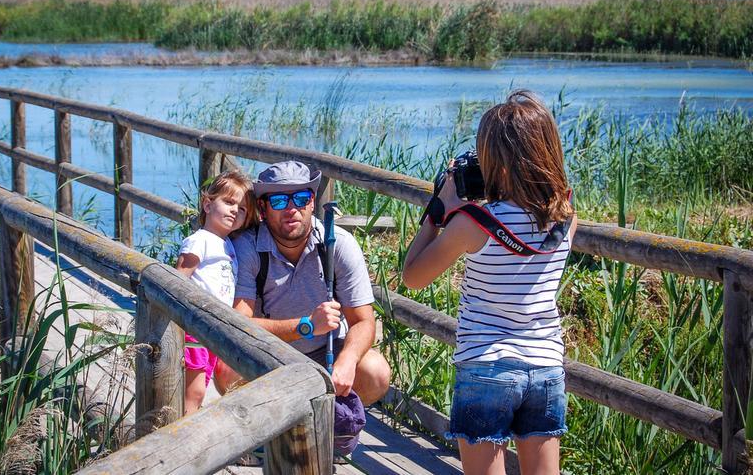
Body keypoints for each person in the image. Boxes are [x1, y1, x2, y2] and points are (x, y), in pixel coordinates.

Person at [402, 90, 577, 475]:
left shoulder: (472, 225)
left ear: (495, 162)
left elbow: (412, 276)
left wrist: (440, 209)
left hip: (485, 364)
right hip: (545, 365)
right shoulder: (566, 218)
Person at [213, 160, 391, 407]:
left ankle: (333, 428)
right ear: (263, 209)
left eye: (300, 198)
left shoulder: (338, 244)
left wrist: (347, 361)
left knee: (376, 373)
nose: (291, 209)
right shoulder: (248, 247)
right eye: (278, 201)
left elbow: (363, 321)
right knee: (226, 372)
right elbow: (239, 326)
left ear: (312, 201)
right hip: (270, 353)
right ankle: (269, 429)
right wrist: (305, 326)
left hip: (327, 352)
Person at [175, 170, 257, 415]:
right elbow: (178, 280)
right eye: (229, 203)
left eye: (242, 209)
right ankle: (183, 434)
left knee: (203, 383)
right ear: (208, 204)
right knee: (195, 389)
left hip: (211, 329)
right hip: (195, 326)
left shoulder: (228, 244)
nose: (235, 210)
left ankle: (185, 426)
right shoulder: (199, 240)